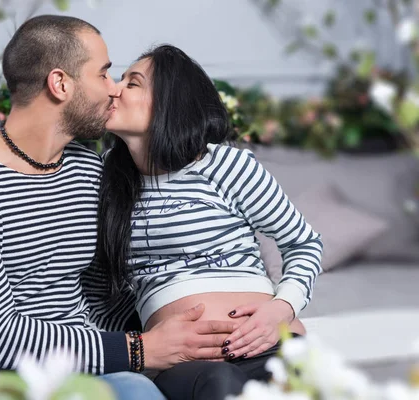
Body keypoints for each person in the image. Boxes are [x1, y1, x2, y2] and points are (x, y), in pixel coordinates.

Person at [0, 17, 238, 400]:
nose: (114, 88)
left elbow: (103, 298)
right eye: (102, 74)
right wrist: (140, 348)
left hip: (80, 361)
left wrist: (203, 328)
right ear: (60, 84)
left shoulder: (88, 170)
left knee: (140, 394)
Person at [97, 44, 324, 399]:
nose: (114, 88)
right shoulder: (104, 182)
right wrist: (135, 349)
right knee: (220, 386)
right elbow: (94, 291)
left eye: (133, 83)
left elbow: (303, 243)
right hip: (184, 364)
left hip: (267, 343)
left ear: (170, 103)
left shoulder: (227, 166)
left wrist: (282, 307)